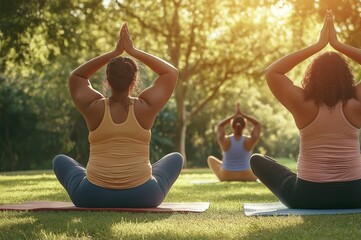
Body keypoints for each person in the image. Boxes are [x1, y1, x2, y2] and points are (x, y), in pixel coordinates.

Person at [251, 10, 361, 209]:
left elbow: (272, 72)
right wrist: (338, 45)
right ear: (346, 77)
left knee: (257, 160)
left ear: (312, 77)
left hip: (306, 196)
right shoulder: (356, 104)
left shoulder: (302, 105)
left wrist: (318, 46)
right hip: (356, 196)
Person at [52, 23, 183, 208]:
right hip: (143, 196)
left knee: (60, 160)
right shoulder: (145, 107)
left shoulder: (93, 107)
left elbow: (76, 77)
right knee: (176, 158)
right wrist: (133, 51)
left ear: (107, 79)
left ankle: (101, 177)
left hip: (91, 196)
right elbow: (171, 72)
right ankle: (139, 175)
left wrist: (113, 54)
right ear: (134, 80)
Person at [207, 103, 261, 181]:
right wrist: (242, 114)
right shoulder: (249, 140)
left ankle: (226, 168)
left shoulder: (224, 140)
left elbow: (220, 126)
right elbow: (258, 125)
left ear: (232, 125)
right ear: (244, 126)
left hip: (226, 176)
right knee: (259, 159)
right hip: (248, 176)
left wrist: (234, 115)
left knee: (210, 159)